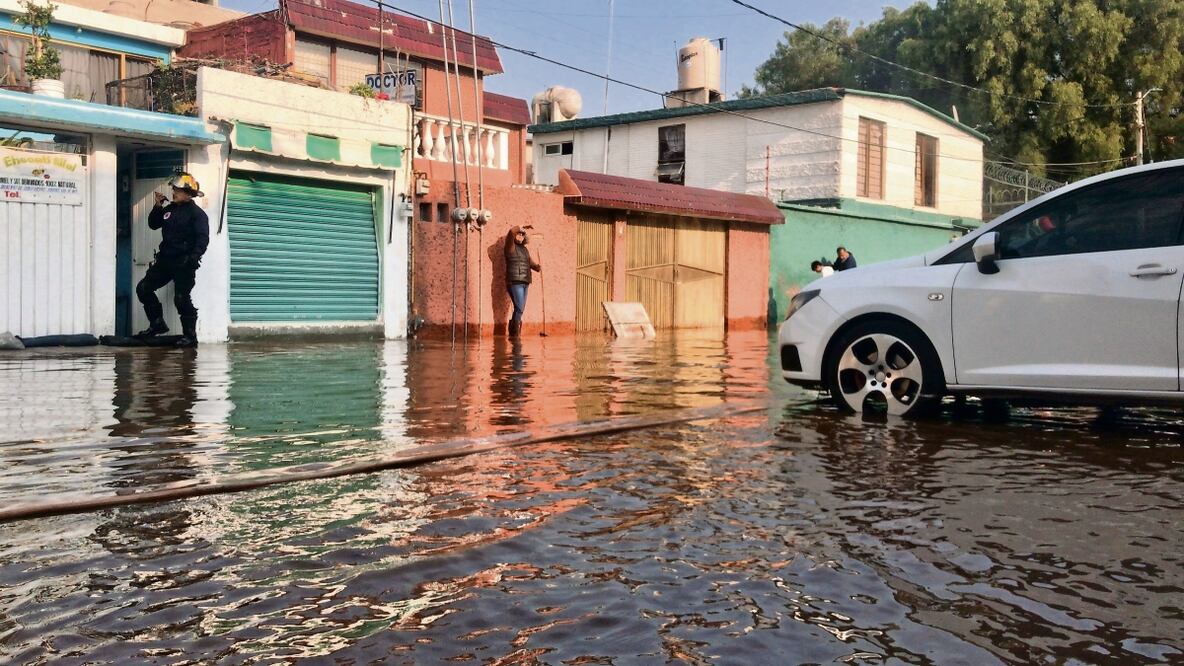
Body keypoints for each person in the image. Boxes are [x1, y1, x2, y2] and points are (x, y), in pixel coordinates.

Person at [136, 172, 209, 347]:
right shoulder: (169, 209)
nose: (173, 192)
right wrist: (157, 206)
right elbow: (153, 224)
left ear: (187, 193)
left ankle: (190, 337)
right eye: (173, 189)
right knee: (143, 288)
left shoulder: (197, 214)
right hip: (165, 261)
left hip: (184, 262)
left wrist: (193, 258)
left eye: (177, 189)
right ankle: (157, 324)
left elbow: (203, 239)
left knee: (181, 298)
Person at [504, 225, 541, 337]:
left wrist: (537, 267)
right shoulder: (510, 246)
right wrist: (521, 228)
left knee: (520, 308)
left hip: (525, 282)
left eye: (522, 235)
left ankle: (514, 334)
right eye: (519, 234)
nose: (520, 236)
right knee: (520, 308)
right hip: (515, 281)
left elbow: (530, 263)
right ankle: (515, 336)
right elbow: (511, 232)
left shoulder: (524, 250)